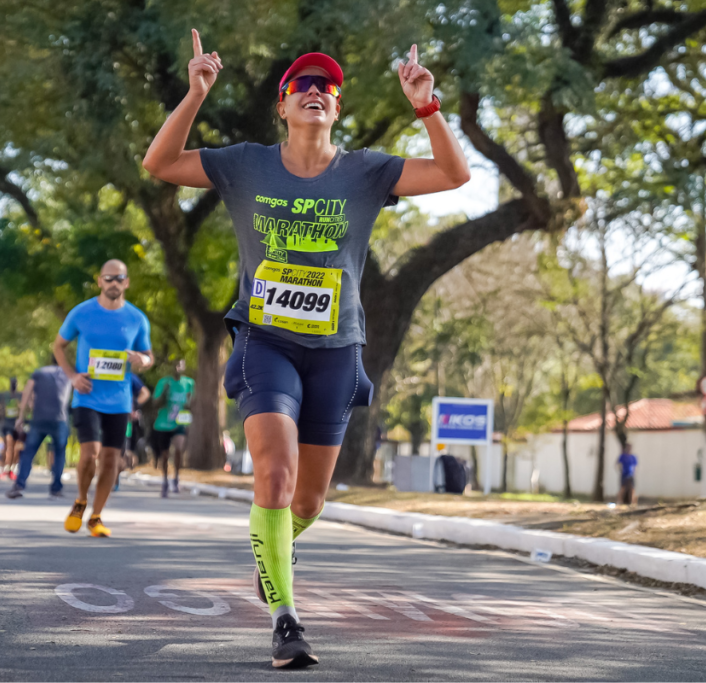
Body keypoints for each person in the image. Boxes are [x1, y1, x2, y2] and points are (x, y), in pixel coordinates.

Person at [143, 33, 469, 668]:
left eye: (328, 88)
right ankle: (285, 618)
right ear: (283, 107)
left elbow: (455, 176)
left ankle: (271, 556)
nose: (316, 92)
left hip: (337, 350)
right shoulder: (244, 164)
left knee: (310, 501)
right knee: (275, 474)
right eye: (302, 87)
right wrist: (196, 93)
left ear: (337, 110)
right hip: (266, 341)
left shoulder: (367, 171)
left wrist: (427, 109)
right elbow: (160, 163)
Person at [53, 259, 154, 537]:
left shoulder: (136, 319)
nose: (113, 283)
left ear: (127, 282)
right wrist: (73, 376)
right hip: (87, 397)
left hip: (120, 401)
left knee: (111, 460)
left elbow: (149, 356)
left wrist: (142, 359)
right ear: (99, 281)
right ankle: (80, 500)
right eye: (108, 278)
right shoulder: (81, 313)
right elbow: (59, 346)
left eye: (119, 278)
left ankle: (96, 516)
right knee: (90, 454)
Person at [6, 358, 72, 499]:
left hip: (39, 418)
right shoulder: (69, 373)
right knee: (59, 453)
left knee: (29, 452)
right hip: (60, 419)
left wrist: (21, 415)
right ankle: (56, 488)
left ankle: (19, 484)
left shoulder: (39, 373)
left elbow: (27, 392)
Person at [151, 359, 195, 497]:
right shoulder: (164, 382)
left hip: (180, 422)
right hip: (163, 423)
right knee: (165, 455)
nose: (177, 367)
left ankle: (176, 477)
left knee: (179, 448)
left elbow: (191, 404)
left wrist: (189, 402)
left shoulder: (189, 383)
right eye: (175, 365)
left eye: (180, 365)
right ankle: (165, 480)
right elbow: (155, 403)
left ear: (184, 367)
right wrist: (164, 393)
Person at [115, 372, 150, 492]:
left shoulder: (129, 376)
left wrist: (133, 405)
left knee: (121, 452)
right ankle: (108, 476)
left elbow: (145, 393)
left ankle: (114, 478)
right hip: (102, 416)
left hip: (125, 420)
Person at [0, 377, 23, 480]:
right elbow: (0, 410)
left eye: (15, 383)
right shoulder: (5, 396)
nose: (13, 385)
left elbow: (23, 408)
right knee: (8, 445)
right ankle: (5, 467)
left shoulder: (20, 396)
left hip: (16, 424)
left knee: (16, 447)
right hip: (7, 424)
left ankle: (11, 468)